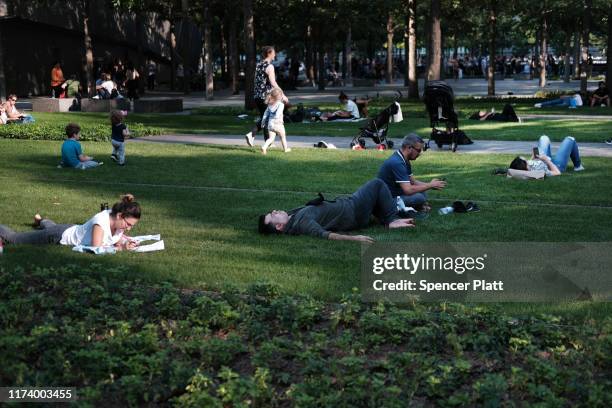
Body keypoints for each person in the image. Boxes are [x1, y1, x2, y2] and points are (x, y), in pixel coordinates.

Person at [258, 179, 415, 241]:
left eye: (272, 212)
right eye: (273, 216)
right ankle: (392, 220)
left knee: (417, 199)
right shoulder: (302, 223)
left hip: (351, 205)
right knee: (377, 184)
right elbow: (324, 234)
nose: (274, 211)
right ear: (279, 226)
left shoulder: (291, 216)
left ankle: (395, 213)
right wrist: (354, 239)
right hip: (354, 210)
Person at [0, 194, 140, 250]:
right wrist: (121, 248)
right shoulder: (101, 222)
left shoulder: (118, 222)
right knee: (14, 239)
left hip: (68, 229)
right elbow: (95, 249)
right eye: (128, 224)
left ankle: (41, 221)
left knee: (51, 227)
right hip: (58, 236)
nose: (128, 229)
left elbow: (114, 239)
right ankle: (42, 222)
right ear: (120, 216)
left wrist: (124, 242)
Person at [377, 134, 446, 211]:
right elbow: (408, 190)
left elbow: (413, 182)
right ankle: (415, 206)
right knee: (420, 197)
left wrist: (431, 185)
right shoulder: (397, 163)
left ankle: (418, 206)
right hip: (388, 199)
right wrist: (430, 185)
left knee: (422, 193)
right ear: (409, 147)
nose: (420, 153)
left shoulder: (404, 159)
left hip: (397, 193)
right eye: (419, 150)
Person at [245, 46, 289, 147]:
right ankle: (263, 140)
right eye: (274, 52)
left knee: (264, 117)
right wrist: (282, 95)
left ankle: (256, 137)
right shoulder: (270, 66)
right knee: (268, 118)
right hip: (266, 97)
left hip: (257, 96)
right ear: (269, 53)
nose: (275, 54)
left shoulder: (259, 65)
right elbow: (273, 82)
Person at [509, 135, 584, 176]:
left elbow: (528, 165)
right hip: (555, 166)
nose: (528, 161)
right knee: (570, 139)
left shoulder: (526, 167)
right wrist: (546, 160)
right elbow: (557, 173)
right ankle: (578, 166)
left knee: (544, 138)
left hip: (543, 159)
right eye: (526, 161)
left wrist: (533, 157)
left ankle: (546, 156)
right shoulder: (538, 172)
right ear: (526, 167)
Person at [261, 88, 290, 154]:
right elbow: (278, 113)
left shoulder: (270, 105)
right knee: (282, 137)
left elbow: (265, 114)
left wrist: (263, 122)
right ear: (279, 96)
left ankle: (264, 147)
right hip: (278, 123)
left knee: (271, 138)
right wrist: (278, 120)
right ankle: (285, 149)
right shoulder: (281, 104)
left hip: (270, 124)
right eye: (281, 95)